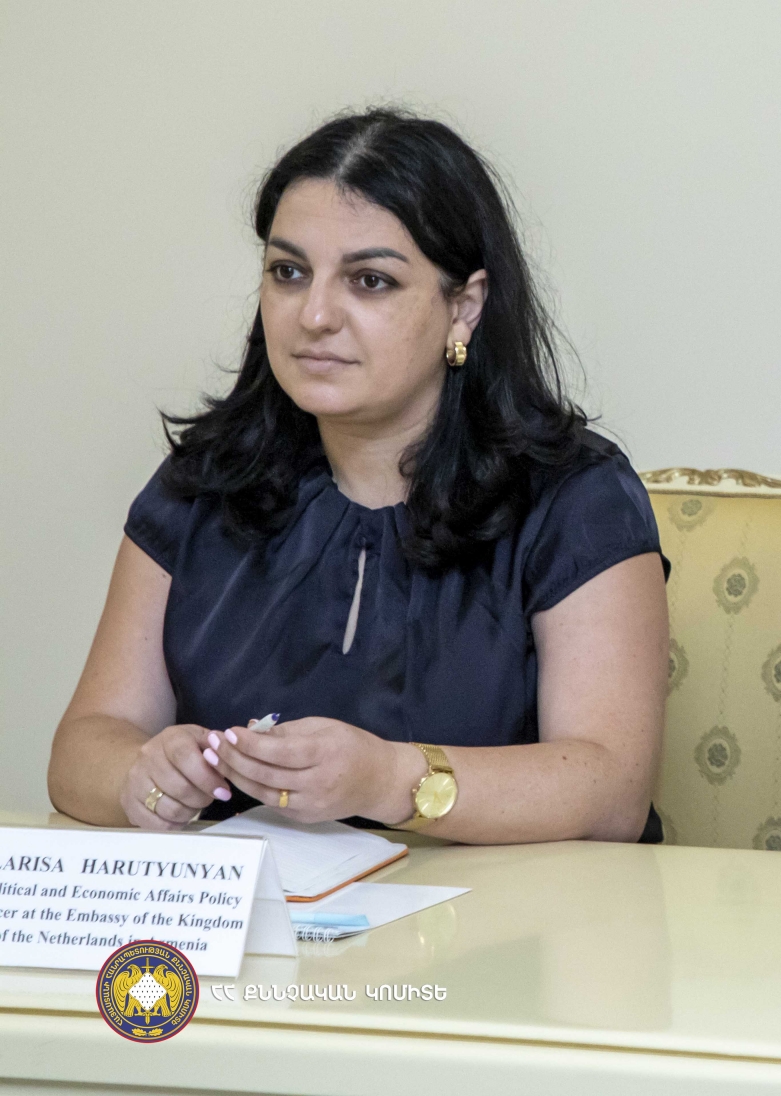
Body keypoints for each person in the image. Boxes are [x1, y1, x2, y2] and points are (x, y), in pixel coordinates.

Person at [49, 109, 669, 844]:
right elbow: (83, 746)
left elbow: (611, 791)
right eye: (288, 273)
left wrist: (392, 780)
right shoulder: (204, 481)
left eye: (370, 281)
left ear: (463, 308)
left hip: (512, 911)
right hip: (261, 914)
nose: (314, 314)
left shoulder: (576, 498)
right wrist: (142, 774)